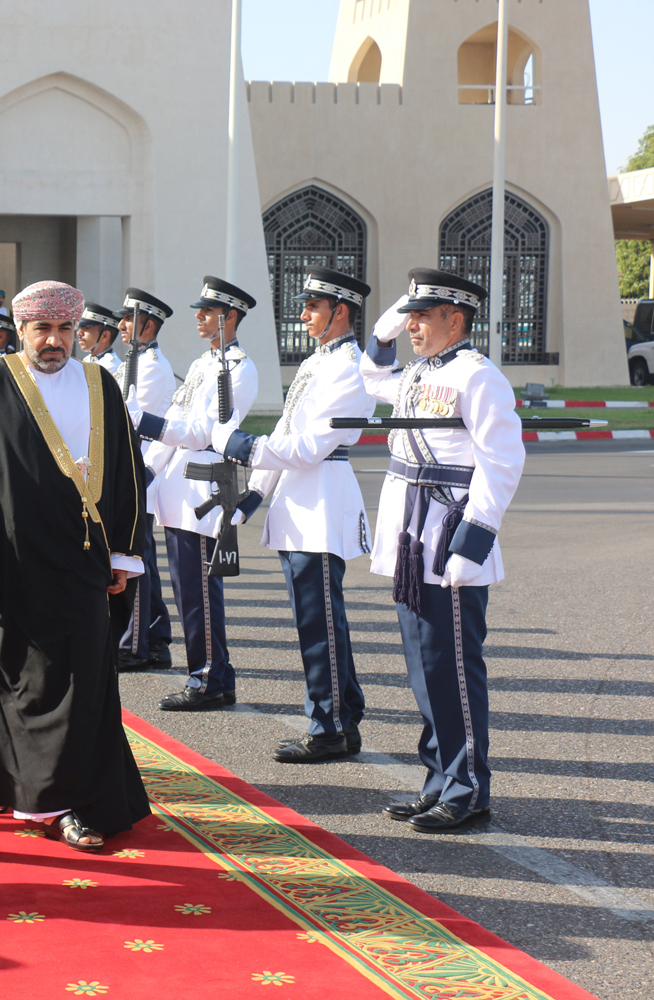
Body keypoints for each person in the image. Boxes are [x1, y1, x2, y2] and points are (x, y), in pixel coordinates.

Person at [0, 281, 150, 853]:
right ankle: (20, 785)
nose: (54, 342)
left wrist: (126, 553)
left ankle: (71, 799)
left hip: (83, 565)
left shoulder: (100, 383)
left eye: (63, 331)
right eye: (41, 330)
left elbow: (129, 471)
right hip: (8, 569)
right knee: (13, 681)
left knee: (82, 683)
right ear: (21, 331)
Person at [358, 269, 523, 831]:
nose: (412, 326)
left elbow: (501, 465)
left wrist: (470, 546)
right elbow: (371, 372)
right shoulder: (418, 374)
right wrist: (387, 321)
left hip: (448, 538)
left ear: (456, 319)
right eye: (410, 315)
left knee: (452, 670)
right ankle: (439, 779)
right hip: (410, 539)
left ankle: (468, 786)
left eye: (422, 316)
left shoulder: (479, 378)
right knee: (425, 671)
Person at [212, 267, 376, 761]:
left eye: (311, 307)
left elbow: (308, 447)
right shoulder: (316, 362)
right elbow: (287, 429)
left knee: (319, 621)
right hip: (300, 500)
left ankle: (328, 725)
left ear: (339, 312)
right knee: (320, 619)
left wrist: (243, 447)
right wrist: (255, 494)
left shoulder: (350, 366)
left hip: (321, 499)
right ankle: (343, 714)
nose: (303, 315)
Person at [140, 277, 259, 711]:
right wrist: (147, 469)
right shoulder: (200, 365)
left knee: (200, 593)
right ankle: (213, 674)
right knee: (186, 589)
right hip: (177, 486)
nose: (199, 317)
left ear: (229, 317)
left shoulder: (239, 368)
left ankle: (209, 678)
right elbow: (177, 419)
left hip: (202, 486)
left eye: (207, 312)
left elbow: (203, 432)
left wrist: (143, 421)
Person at [115, 288, 177, 672]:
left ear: (147, 324)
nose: (120, 325)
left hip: (139, 471)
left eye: (128, 319)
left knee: (136, 558)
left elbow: (139, 427)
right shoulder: (132, 363)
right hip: (128, 470)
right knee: (143, 560)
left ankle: (136, 644)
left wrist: (142, 474)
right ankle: (155, 638)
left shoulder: (152, 368)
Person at [76, 303, 122, 375]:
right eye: (80, 328)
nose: (79, 333)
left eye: (87, 328)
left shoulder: (110, 366)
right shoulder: (88, 360)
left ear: (105, 336)